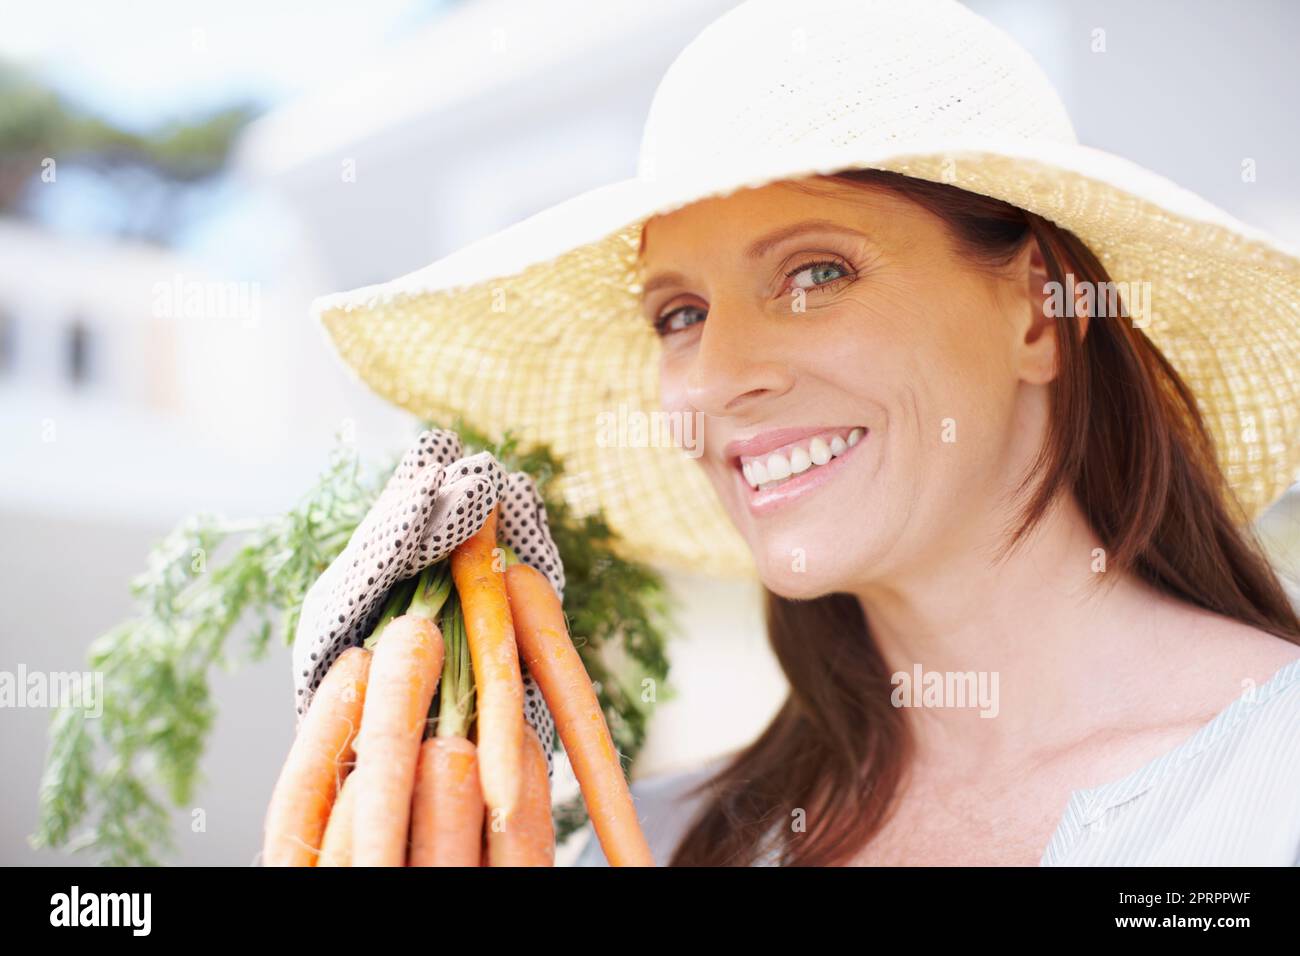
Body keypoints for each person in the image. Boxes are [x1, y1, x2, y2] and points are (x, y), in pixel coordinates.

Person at [306, 0, 1300, 866]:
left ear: (1039, 311)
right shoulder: (651, 836)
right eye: (678, 314)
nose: (724, 377)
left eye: (816, 273)